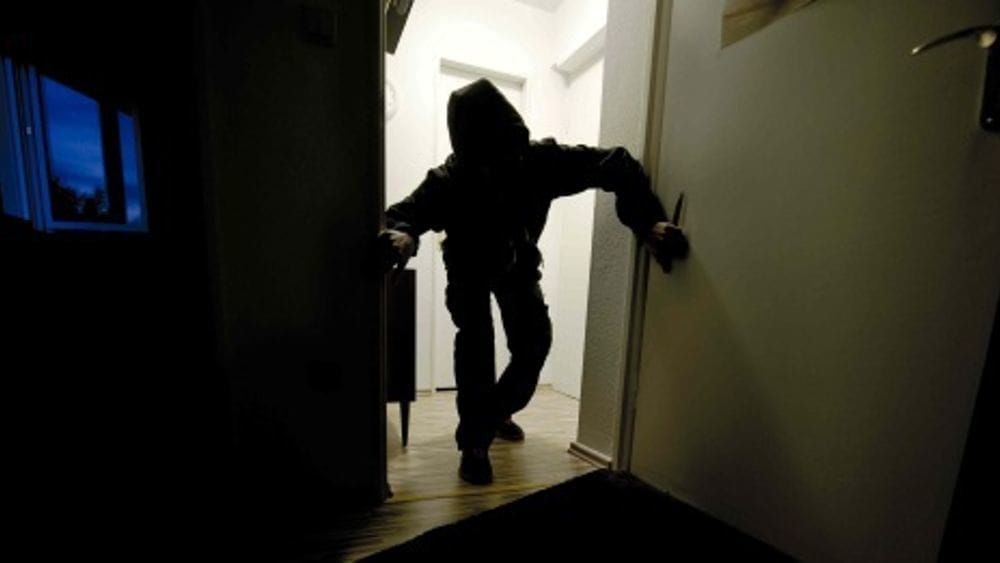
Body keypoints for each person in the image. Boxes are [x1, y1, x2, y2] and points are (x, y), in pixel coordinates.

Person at [380, 78, 687, 485]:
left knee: (534, 343)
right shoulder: (449, 180)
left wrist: (647, 222)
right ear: (470, 156)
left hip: (517, 262)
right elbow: (400, 215)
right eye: (486, 162)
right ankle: (474, 444)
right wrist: (404, 236)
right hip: (469, 267)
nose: (497, 168)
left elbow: (617, 165)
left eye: (505, 156)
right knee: (475, 345)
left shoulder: (540, 161)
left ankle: (493, 414)